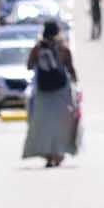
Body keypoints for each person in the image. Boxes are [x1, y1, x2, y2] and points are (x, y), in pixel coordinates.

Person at [23, 20, 80, 168]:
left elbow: (29, 66)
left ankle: (48, 156)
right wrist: (76, 85)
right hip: (62, 91)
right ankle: (59, 153)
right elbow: (70, 69)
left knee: (43, 123)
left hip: (43, 91)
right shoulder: (63, 49)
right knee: (62, 123)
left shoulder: (38, 49)